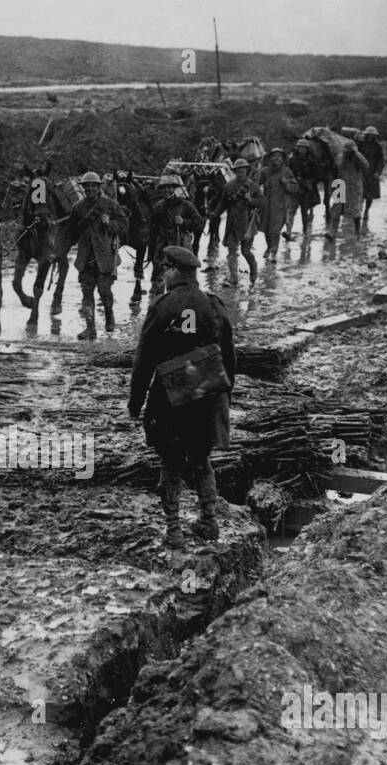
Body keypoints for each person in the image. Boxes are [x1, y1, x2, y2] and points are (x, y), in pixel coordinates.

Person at [128, 246, 236, 547]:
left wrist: (136, 403)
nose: (163, 275)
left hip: (170, 399)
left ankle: (174, 530)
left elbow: (144, 360)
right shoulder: (214, 305)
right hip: (207, 395)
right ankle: (209, 522)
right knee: (202, 459)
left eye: (165, 269)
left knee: (171, 462)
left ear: (174, 271)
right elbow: (229, 357)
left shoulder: (163, 307)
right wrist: (225, 396)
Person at [68, 171, 128, 340]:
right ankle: (90, 328)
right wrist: (59, 250)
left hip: (105, 256)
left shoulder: (110, 204)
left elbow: (124, 225)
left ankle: (109, 315)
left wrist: (110, 224)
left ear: (98, 187)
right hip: (85, 257)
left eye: (93, 186)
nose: (89, 189)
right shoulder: (77, 207)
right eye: (86, 187)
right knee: (87, 292)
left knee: (104, 291)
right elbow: (71, 232)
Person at [146, 174, 204, 298]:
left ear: (175, 188)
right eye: (164, 188)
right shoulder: (158, 207)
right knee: (157, 287)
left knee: (183, 285)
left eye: (170, 187)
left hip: (181, 249)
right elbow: (153, 233)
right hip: (162, 250)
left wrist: (184, 222)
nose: (167, 190)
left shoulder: (186, 205)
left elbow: (199, 223)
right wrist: (150, 254)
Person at [251, 148, 298, 257]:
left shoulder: (287, 172)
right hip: (266, 206)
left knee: (275, 231)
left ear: (283, 159)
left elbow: (295, 187)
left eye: (279, 156)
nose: (276, 158)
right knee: (267, 230)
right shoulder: (265, 171)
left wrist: (286, 184)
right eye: (274, 155)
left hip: (280, 206)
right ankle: (269, 247)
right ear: (270, 158)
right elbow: (255, 185)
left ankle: (274, 252)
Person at [220, 158, 259, 286]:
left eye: (242, 170)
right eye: (237, 171)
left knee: (245, 251)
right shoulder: (228, 186)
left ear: (246, 170)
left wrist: (251, 200)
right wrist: (215, 214)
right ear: (234, 171)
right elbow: (223, 203)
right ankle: (233, 277)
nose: (240, 173)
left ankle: (253, 270)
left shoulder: (253, 186)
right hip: (232, 222)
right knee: (231, 250)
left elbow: (262, 202)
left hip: (247, 223)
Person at [328, 139, 371, 239]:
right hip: (339, 186)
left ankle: (357, 233)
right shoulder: (339, 158)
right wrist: (331, 188)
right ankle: (332, 233)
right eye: (346, 150)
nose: (347, 152)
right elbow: (334, 173)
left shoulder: (357, 159)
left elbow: (366, 165)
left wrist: (356, 152)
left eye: (349, 150)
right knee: (336, 211)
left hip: (354, 188)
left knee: (355, 212)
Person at [287, 139, 322, 239]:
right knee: (291, 211)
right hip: (295, 189)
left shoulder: (312, 162)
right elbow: (287, 174)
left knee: (305, 212)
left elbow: (318, 175)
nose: (302, 150)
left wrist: (310, 182)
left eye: (304, 148)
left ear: (307, 149)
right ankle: (288, 232)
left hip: (307, 190)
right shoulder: (292, 161)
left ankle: (306, 232)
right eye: (300, 148)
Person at [358, 127, 385, 220]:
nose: (371, 137)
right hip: (361, 172)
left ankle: (366, 210)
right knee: (360, 193)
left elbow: (380, 161)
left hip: (372, 173)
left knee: (370, 195)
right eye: (369, 135)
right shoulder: (360, 144)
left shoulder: (378, 146)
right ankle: (359, 210)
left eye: (372, 135)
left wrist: (378, 172)